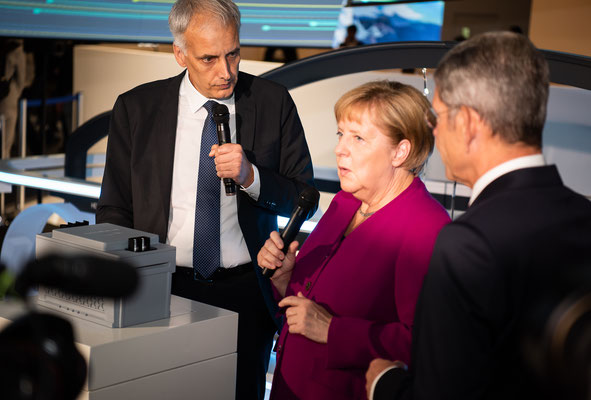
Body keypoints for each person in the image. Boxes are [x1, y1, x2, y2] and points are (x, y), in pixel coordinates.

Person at [96, 0, 317, 399]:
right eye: (209, 58)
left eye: (233, 53)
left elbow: (305, 194)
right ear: (179, 54)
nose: (226, 71)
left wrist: (251, 176)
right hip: (161, 289)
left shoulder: (272, 101)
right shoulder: (137, 107)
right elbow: (114, 207)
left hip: (245, 293)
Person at [366, 31, 591, 400]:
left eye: (437, 115)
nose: (434, 130)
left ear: (469, 124)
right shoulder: (583, 214)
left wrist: (384, 383)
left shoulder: (468, 244)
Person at [258, 81, 450, 400]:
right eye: (340, 134)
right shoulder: (345, 202)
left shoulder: (426, 228)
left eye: (358, 138)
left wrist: (333, 331)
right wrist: (285, 279)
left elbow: (425, 344)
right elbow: (306, 308)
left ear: (400, 151)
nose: (340, 149)